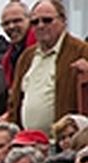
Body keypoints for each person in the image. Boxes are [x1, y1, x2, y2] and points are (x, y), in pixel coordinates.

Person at [6, 0, 88, 131]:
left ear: (63, 21)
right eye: (35, 22)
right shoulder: (27, 56)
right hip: (29, 143)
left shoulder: (81, 51)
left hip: (65, 142)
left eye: (47, 20)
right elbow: (14, 101)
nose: (40, 25)